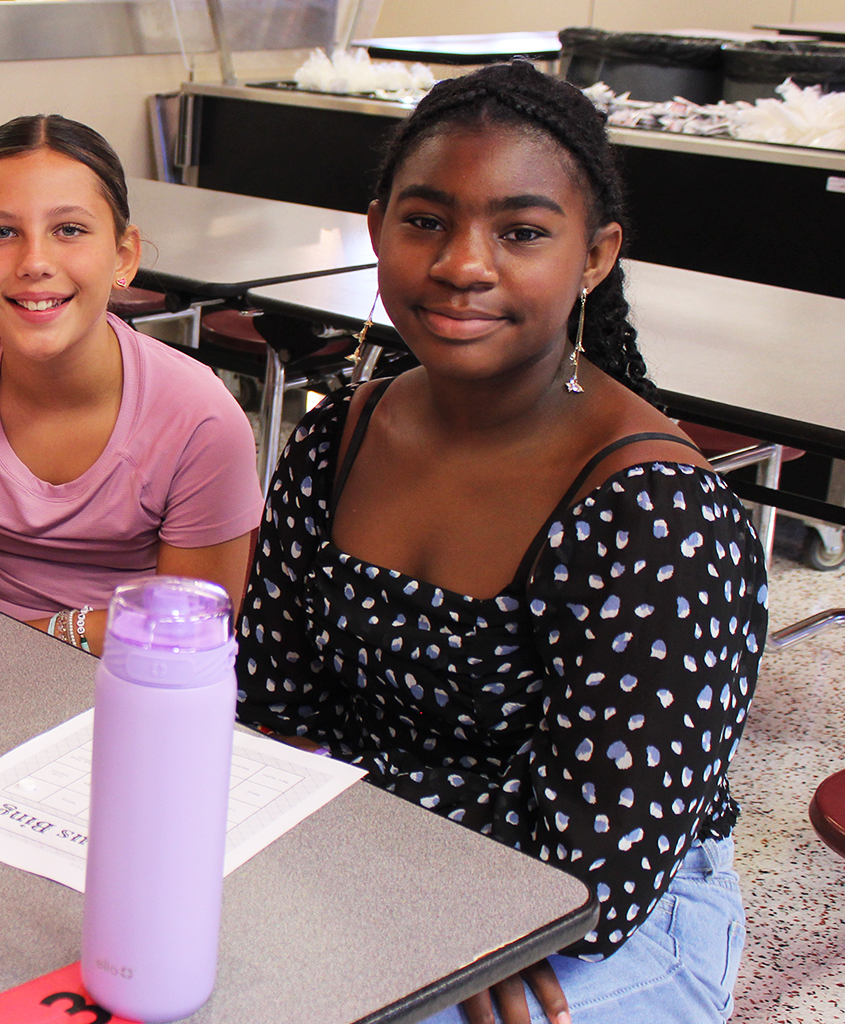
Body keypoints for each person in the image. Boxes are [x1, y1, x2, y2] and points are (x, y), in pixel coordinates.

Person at [236, 61, 764, 1024]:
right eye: (426, 221)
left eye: (520, 232)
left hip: (598, 924)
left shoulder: (661, 518)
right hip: (358, 869)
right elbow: (267, 712)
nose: (462, 264)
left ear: (596, 256)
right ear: (376, 228)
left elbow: (585, 875)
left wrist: (357, 839)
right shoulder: (334, 442)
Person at [0, 115, 263, 654]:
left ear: (123, 257)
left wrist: (41, 637)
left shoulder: (200, 419)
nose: (35, 263)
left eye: (69, 229)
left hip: (138, 690)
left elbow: (189, 630)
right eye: (1, 232)